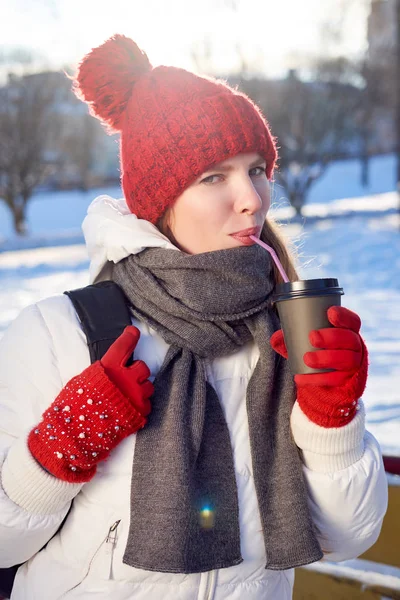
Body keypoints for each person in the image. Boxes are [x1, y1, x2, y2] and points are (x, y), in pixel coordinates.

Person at [0, 34, 388, 600]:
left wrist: (333, 420)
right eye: (214, 177)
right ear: (160, 199)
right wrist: (59, 449)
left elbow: (350, 536)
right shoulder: (58, 333)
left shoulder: (286, 331)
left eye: (257, 169)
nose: (252, 198)